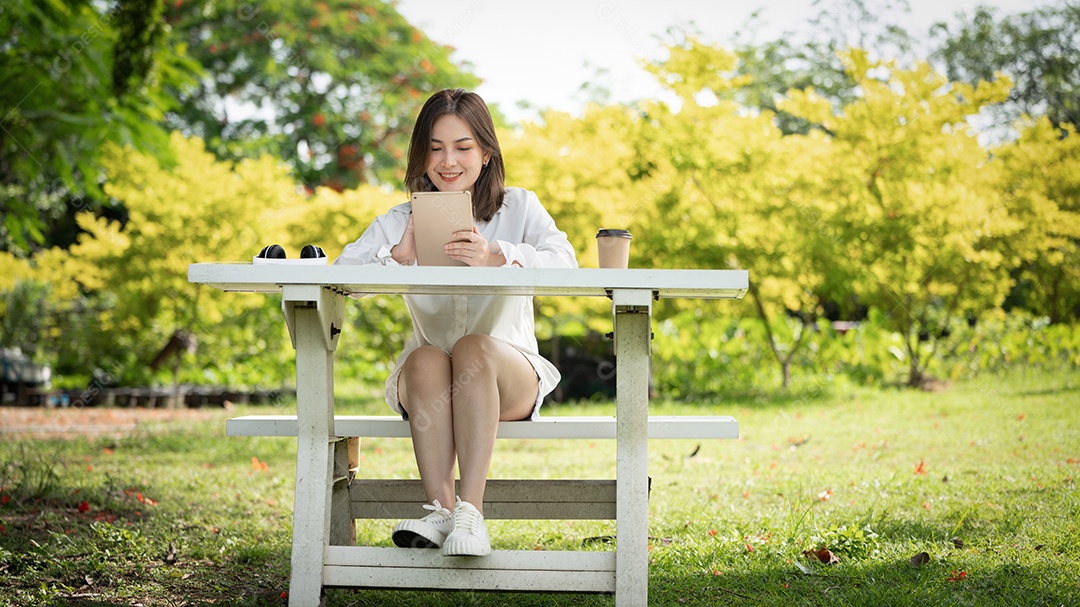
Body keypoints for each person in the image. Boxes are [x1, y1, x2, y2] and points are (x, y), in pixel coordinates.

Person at [334, 89, 577, 556]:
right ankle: (441, 511)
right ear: (421, 154)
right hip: (430, 387)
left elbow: (566, 264)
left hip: (509, 377)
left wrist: (497, 257)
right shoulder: (400, 220)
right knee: (425, 356)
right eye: (436, 147)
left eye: (463, 147)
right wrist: (395, 259)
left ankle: (472, 513)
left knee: (472, 347)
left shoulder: (519, 208)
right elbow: (343, 279)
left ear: (486, 153)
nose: (448, 161)